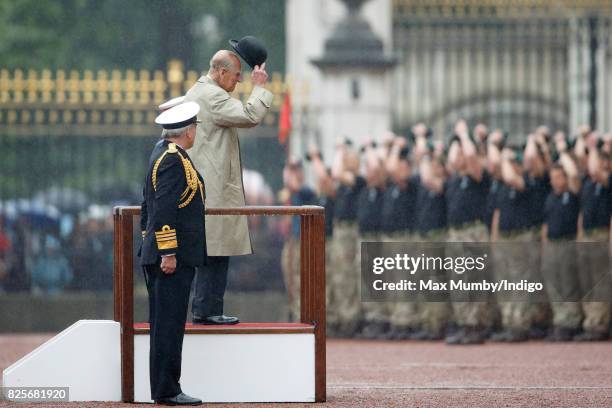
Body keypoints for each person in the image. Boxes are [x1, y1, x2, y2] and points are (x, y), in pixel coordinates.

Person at [185, 45, 272, 325]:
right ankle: (207, 309)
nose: (239, 80)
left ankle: (207, 307)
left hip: (207, 187)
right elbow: (250, 116)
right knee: (216, 250)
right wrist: (259, 88)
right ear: (221, 72)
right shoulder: (212, 96)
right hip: (214, 188)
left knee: (214, 250)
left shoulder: (202, 91)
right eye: (236, 75)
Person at [139, 102, 206, 406]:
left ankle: (166, 387)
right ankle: (167, 390)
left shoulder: (165, 152)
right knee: (167, 326)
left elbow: (147, 207)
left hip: (168, 256)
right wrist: (167, 252)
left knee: (168, 324)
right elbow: (163, 208)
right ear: (188, 130)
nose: (195, 132)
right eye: (195, 127)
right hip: (170, 260)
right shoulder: (170, 159)